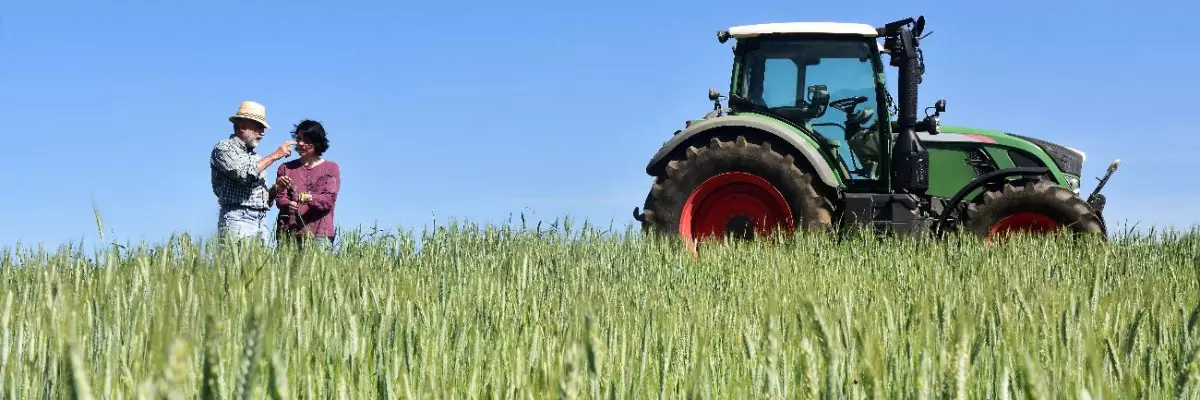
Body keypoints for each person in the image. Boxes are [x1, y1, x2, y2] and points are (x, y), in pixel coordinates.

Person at [210, 101, 295, 243]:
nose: (262, 133)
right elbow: (244, 174)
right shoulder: (224, 148)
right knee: (235, 264)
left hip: (261, 221)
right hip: (237, 218)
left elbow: (264, 200)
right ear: (243, 126)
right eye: (259, 128)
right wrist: (275, 155)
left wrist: (276, 187)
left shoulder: (257, 158)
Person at [274, 119, 340, 250]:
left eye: (306, 140)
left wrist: (306, 198)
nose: (301, 143)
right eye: (298, 139)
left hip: (320, 234)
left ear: (317, 142)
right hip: (289, 232)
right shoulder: (285, 167)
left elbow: (328, 200)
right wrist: (288, 204)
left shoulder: (331, 168)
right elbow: (280, 198)